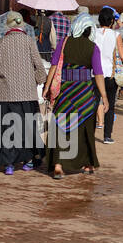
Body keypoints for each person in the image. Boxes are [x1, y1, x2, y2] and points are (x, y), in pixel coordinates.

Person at [45, 12, 107, 178]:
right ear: (90, 30)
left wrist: (46, 87)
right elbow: (98, 74)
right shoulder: (93, 47)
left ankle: (58, 165)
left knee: (60, 126)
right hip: (85, 94)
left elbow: (53, 66)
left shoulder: (64, 43)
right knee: (85, 128)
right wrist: (104, 97)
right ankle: (88, 164)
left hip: (65, 92)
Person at [0, 11, 46, 174]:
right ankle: (30, 160)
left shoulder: (0, 43)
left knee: (8, 129)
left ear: (8, 25)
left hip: (6, 94)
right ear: (21, 25)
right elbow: (39, 66)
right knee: (28, 128)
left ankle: (9, 165)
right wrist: (40, 81)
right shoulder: (29, 41)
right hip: (27, 94)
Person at [94, 7, 123, 144]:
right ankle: (107, 136)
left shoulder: (93, 33)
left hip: (95, 73)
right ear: (111, 21)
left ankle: (90, 132)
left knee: (93, 103)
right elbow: (122, 56)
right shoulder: (115, 35)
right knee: (109, 105)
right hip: (110, 74)